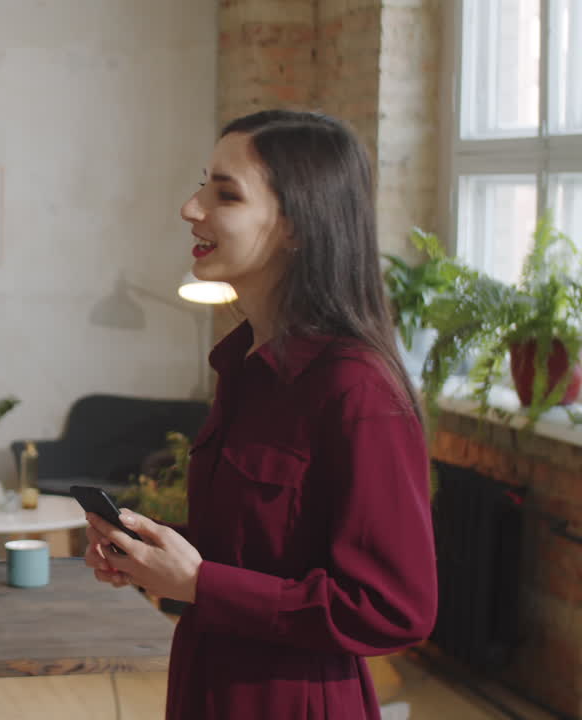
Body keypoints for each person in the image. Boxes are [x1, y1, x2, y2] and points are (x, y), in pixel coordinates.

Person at [83, 110, 438, 719]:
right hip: (206, 684)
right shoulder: (243, 366)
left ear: (297, 227)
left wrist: (201, 585)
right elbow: (262, 556)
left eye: (225, 194)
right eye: (203, 185)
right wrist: (158, 557)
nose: (191, 208)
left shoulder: (359, 391)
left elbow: (394, 607)